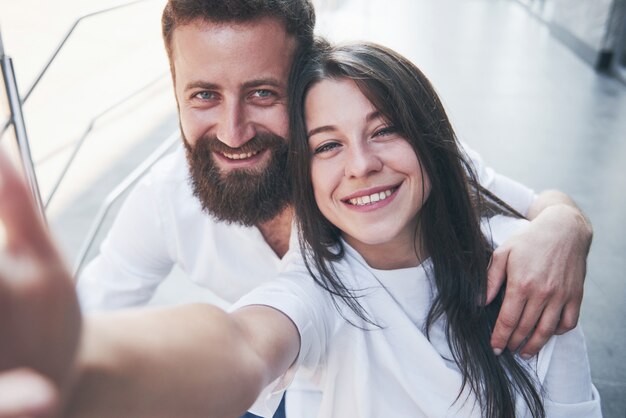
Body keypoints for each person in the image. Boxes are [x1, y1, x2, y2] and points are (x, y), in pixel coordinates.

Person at [0, 40, 600, 417]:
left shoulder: (525, 273)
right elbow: (240, 345)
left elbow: (536, 208)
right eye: (327, 146)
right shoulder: (316, 288)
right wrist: (77, 372)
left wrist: (565, 223)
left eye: (385, 129)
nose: (361, 163)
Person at [77, 0, 591, 363]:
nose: (233, 132)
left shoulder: (375, 168)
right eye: (204, 95)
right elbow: (92, 316)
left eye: (261, 93)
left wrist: (565, 225)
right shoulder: (166, 199)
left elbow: (528, 203)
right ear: (175, 92)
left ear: (305, 82)